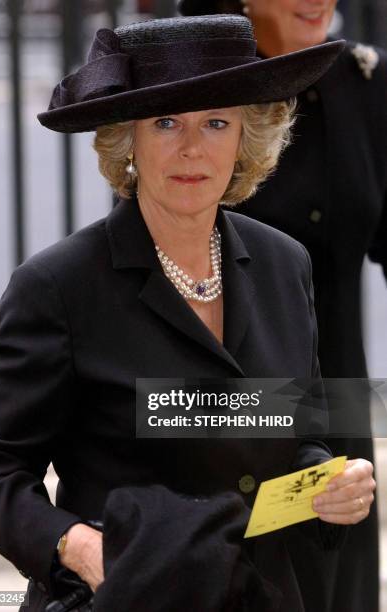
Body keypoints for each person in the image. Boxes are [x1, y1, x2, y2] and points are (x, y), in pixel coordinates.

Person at [0, 14, 376, 612]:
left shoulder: (285, 265)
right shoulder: (58, 286)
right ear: (129, 139)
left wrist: (326, 484)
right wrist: (79, 549)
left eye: (217, 123)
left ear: (245, 138)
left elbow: (293, 431)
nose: (192, 148)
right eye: (167, 122)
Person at [178, 2, 387, 612]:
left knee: (339, 586)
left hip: (339, 404)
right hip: (229, 409)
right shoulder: (199, 84)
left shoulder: (362, 83)